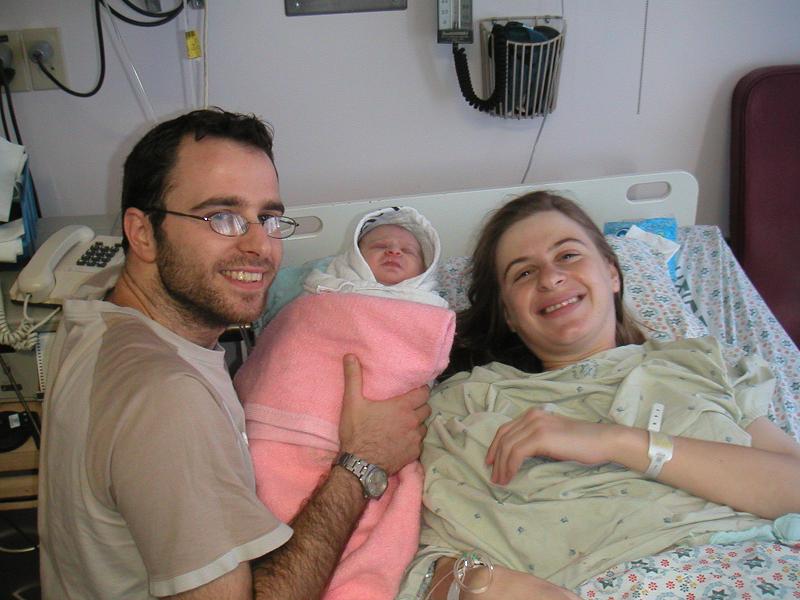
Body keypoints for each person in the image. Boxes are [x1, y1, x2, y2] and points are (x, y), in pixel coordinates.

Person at [36, 108, 431, 600]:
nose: (260, 246)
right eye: (221, 217)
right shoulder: (169, 398)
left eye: (268, 218)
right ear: (142, 233)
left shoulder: (95, 314)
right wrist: (362, 463)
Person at [399, 191, 800, 599]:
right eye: (524, 273)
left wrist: (619, 442)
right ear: (509, 315)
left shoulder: (699, 364)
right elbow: (431, 573)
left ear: (612, 274)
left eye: (568, 255)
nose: (550, 278)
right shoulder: (470, 405)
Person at [234, 206, 455, 600]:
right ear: (353, 256)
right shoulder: (319, 298)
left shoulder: (427, 311)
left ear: (426, 270)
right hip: (284, 433)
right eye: (379, 246)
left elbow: (416, 371)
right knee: (266, 503)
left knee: (376, 529)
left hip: (382, 451)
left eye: (408, 250)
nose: (393, 251)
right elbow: (287, 350)